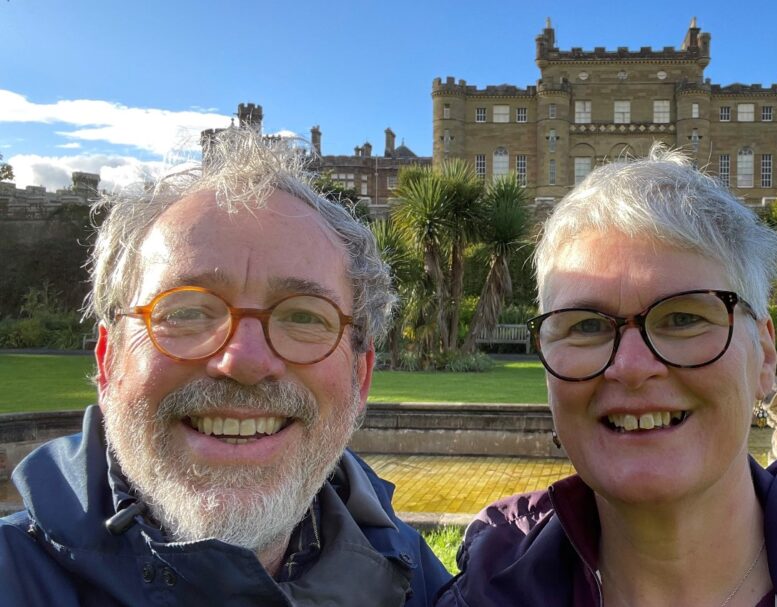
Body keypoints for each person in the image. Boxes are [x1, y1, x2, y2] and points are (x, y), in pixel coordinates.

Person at [436, 146, 777, 606]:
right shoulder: (487, 590)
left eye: (684, 317)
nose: (631, 367)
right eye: (585, 325)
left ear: (766, 356)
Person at [0, 128, 450, 605]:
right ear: (109, 359)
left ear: (361, 376)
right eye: (187, 312)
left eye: (303, 316)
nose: (245, 361)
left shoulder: (414, 579)